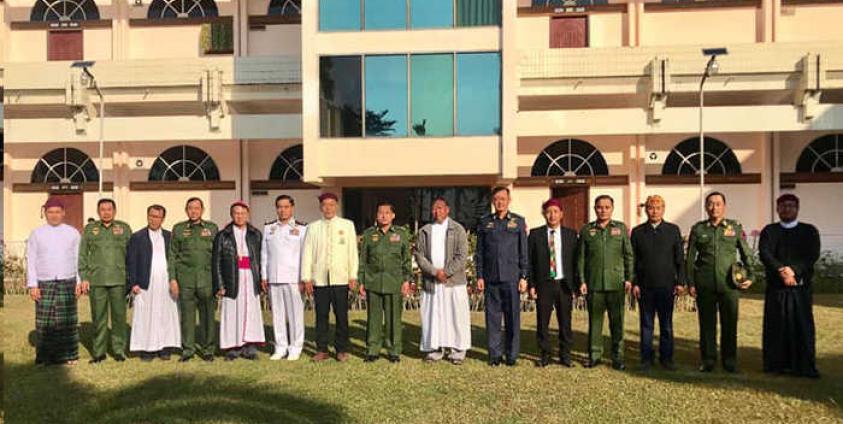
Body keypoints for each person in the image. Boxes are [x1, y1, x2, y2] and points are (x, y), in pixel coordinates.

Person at [687, 191, 756, 373]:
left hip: (729, 284)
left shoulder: (735, 228)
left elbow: (746, 253)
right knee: (707, 324)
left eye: (718, 204)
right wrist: (691, 282)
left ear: (724, 206)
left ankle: (729, 361)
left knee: (730, 324)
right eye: (710, 204)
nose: (714, 207)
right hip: (705, 283)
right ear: (705, 207)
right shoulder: (698, 229)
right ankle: (708, 360)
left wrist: (750, 275)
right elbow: (690, 258)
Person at [759, 194, 821, 378]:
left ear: (797, 208)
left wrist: (794, 270)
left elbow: (812, 254)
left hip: (800, 288)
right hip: (777, 288)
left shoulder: (809, 231)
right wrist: (781, 270)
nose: (787, 209)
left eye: (791, 206)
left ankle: (803, 365)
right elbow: (765, 253)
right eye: (783, 206)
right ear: (777, 209)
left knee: (801, 326)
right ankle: (776, 365)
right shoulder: (769, 231)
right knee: (776, 326)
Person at [577, 195, 634, 370]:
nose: (603, 210)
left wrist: (629, 278)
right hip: (594, 283)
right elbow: (581, 258)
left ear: (612, 208)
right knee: (595, 323)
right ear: (595, 209)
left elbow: (628, 255)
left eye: (607, 207)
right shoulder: (587, 230)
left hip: (616, 283)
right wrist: (582, 280)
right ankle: (595, 355)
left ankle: (618, 357)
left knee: (617, 323)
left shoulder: (620, 228)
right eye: (600, 207)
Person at [301, 192, 359, 362]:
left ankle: (341, 349)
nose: (328, 208)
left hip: (341, 278)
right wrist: (306, 277)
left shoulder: (347, 225)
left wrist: (352, 275)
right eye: (325, 205)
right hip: (320, 279)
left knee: (341, 315)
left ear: (337, 206)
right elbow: (307, 253)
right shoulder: (313, 227)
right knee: (321, 315)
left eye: (331, 205)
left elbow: (352, 252)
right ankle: (321, 349)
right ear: (320, 207)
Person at [630, 195, 685, 371]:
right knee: (646, 324)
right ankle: (646, 358)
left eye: (658, 208)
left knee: (666, 325)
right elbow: (633, 260)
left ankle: (666, 358)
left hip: (666, 285)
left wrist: (680, 282)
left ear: (663, 209)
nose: (654, 211)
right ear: (646, 210)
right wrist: (634, 282)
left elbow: (679, 259)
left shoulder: (672, 230)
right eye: (651, 208)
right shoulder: (638, 232)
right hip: (645, 286)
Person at [476, 186, 529, 367]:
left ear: (509, 200)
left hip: (512, 277)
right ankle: (495, 355)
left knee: (512, 318)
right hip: (491, 277)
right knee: (493, 318)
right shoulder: (485, 222)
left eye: (503, 199)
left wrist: (524, 276)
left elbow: (523, 251)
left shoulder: (518, 222)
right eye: (497, 199)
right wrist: (480, 275)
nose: (500, 202)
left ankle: (512, 354)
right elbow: (480, 252)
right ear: (493, 201)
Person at [27, 197, 84, 366]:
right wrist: (33, 285)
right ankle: (45, 357)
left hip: (68, 280)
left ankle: (69, 355)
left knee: (68, 321)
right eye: (50, 212)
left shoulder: (73, 233)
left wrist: (79, 282)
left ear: (63, 213)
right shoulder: (37, 234)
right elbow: (31, 260)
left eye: (57, 212)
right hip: (44, 281)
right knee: (45, 321)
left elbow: (78, 259)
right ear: (45, 213)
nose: (54, 215)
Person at [415, 197, 471, 365]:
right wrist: (435, 272)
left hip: (453, 282)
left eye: (440, 208)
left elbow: (462, 255)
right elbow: (419, 255)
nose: (437, 211)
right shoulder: (425, 231)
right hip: (432, 282)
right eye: (434, 208)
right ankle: (435, 349)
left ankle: (457, 351)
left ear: (447, 210)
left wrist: (445, 272)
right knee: (433, 316)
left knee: (456, 316)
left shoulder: (458, 229)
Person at [79, 198, 132, 364]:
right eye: (103, 209)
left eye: (109, 209)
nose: (106, 212)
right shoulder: (90, 229)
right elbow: (82, 255)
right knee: (98, 318)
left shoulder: (124, 228)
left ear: (114, 211)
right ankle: (99, 352)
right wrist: (84, 277)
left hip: (119, 279)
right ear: (98, 211)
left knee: (119, 318)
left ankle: (119, 351)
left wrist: (131, 279)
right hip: (97, 280)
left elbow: (131, 255)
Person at [358, 201, 413, 363]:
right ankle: (372, 350)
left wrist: (407, 280)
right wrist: (361, 280)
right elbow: (363, 260)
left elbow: (406, 260)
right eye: (380, 212)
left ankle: (394, 350)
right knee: (373, 319)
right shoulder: (369, 235)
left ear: (393, 215)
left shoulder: (401, 234)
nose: (383, 216)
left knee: (393, 319)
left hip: (394, 282)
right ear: (376, 215)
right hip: (373, 282)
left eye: (387, 213)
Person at [527, 198, 578, 368]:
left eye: (556, 211)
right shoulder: (535, 235)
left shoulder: (571, 235)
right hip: (544, 283)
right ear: (544, 214)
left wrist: (576, 285)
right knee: (543, 321)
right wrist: (532, 284)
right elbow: (530, 262)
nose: (552, 215)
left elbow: (576, 261)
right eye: (549, 212)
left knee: (565, 322)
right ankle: (545, 354)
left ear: (561, 214)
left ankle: (565, 354)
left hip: (564, 284)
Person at [126, 204, 180, 361]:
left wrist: (175, 280)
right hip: (145, 283)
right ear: (147, 216)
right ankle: (147, 349)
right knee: (145, 316)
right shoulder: (137, 237)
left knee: (166, 314)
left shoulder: (170, 237)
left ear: (163, 219)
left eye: (157, 217)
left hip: (166, 283)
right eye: (151, 216)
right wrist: (133, 283)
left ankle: (164, 347)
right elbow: (131, 262)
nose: (154, 220)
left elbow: (176, 259)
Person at [169, 197, 218, 362]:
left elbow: (217, 256)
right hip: (186, 281)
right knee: (187, 318)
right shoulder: (179, 229)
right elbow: (172, 256)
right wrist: (173, 279)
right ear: (186, 210)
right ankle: (188, 349)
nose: (194, 211)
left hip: (207, 280)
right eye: (190, 208)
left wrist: (219, 282)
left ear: (202, 210)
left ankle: (208, 349)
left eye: (197, 208)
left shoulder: (212, 228)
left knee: (208, 317)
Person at [214, 201, 265, 360]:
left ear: (247, 214)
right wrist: (220, 284)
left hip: (250, 277)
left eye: (243, 213)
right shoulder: (223, 235)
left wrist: (262, 279)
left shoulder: (255, 234)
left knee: (251, 311)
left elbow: (261, 258)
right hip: (232, 277)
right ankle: (232, 347)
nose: (240, 216)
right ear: (232, 215)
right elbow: (216, 261)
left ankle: (250, 346)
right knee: (232, 312)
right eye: (236, 213)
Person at [261, 195, 308, 361]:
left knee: (295, 315)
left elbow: (305, 255)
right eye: (280, 207)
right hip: (274, 277)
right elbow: (264, 254)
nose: (283, 210)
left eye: (286, 207)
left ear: (292, 208)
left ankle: (296, 347)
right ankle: (280, 346)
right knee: (277, 315)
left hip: (293, 278)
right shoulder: (269, 228)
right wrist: (264, 276)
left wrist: (304, 277)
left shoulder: (301, 228)